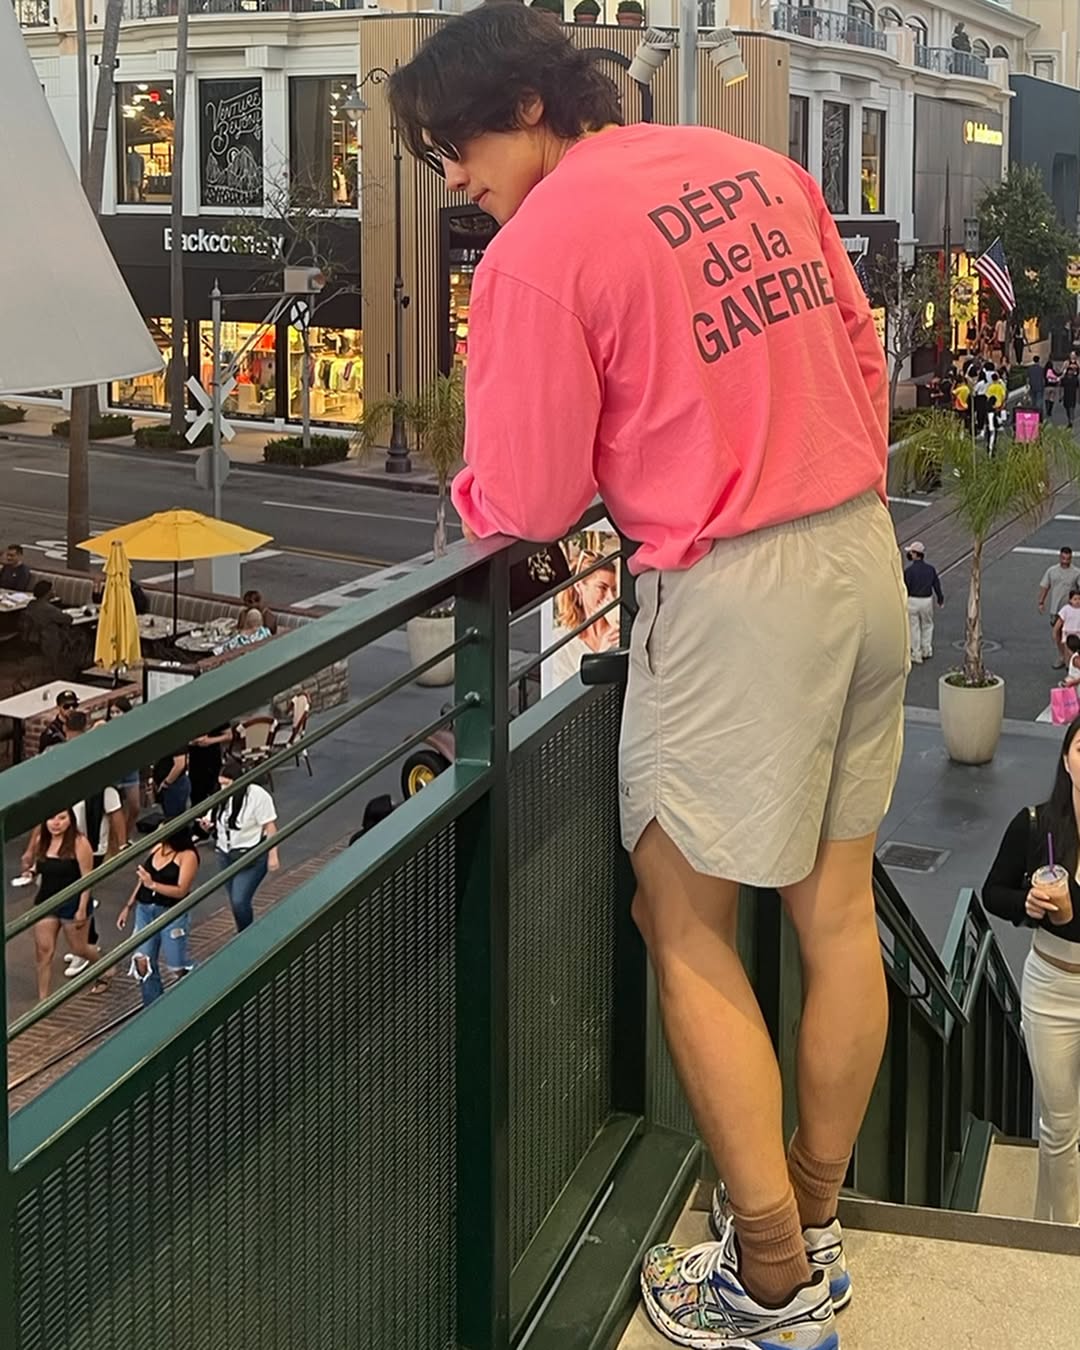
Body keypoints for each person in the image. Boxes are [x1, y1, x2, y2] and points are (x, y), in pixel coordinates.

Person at [392, 9, 907, 1345]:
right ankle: (812, 1225)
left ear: (526, 104)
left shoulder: (539, 250)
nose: (454, 176)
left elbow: (530, 494)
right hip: (861, 553)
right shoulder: (755, 167)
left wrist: (476, 500)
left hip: (736, 590)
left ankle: (772, 1282)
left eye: (455, 144)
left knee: (681, 925)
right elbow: (866, 358)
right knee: (836, 914)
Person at [982, 719, 1080, 1224]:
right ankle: (1060, 1230)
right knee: (1059, 1125)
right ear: (1066, 759)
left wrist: (1069, 914)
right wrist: (1027, 904)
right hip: (1052, 988)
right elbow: (992, 892)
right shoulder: (1037, 824)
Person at [18, 809, 103, 1001]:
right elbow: (40, 865)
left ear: (70, 820)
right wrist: (30, 873)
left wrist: (82, 908)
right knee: (43, 951)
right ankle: (44, 1000)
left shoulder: (80, 843)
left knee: (79, 948)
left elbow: (87, 878)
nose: (56, 823)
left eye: (62, 818)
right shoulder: (42, 840)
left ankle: (106, 966)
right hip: (46, 900)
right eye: (51, 818)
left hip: (72, 902)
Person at [118, 825, 199, 1006]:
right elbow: (142, 879)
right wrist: (129, 905)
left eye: (162, 830)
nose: (157, 833)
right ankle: (153, 1005)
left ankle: (196, 990)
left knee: (177, 965)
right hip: (145, 909)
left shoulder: (188, 856)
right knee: (142, 961)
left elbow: (181, 890)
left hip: (171, 912)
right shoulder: (157, 849)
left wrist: (153, 885)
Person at [204, 758, 279, 932]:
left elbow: (270, 826)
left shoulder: (257, 795)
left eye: (227, 784)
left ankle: (246, 933)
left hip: (251, 855)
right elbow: (213, 816)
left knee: (239, 900)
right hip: (225, 853)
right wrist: (208, 823)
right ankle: (243, 931)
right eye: (221, 784)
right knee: (236, 901)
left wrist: (273, 855)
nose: (223, 788)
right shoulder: (221, 795)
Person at [548, 548, 620, 686]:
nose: (610, 597)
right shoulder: (561, 641)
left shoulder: (618, 630)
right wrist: (600, 658)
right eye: (602, 588)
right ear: (579, 586)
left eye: (614, 589)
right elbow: (565, 691)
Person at [105, 697, 142, 836]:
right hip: (113, 772)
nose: (114, 716)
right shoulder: (106, 729)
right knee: (114, 809)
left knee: (135, 807)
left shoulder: (133, 728)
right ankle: (118, 840)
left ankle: (125, 835)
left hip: (130, 770)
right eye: (112, 712)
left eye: (118, 712)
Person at [1039, 547, 1080, 669]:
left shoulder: (1076, 573)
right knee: (1058, 635)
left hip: (1071, 610)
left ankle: (1072, 660)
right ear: (1060, 557)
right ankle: (1062, 656)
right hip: (1056, 609)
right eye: (1063, 558)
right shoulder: (1052, 571)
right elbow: (1045, 586)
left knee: (1072, 636)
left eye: (1068, 558)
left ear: (1071, 558)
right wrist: (1041, 602)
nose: (1065, 561)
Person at [903, 542, 944, 664]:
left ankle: (916, 653)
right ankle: (926, 649)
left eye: (911, 552)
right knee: (927, 624)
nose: (909, 554)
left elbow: (904, 587)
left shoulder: (909, 571)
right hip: (926, 600)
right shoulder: (930, 569)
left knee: (914, 627)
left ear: (915, 554)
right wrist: (940, 599)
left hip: (912, 600)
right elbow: (936, 585)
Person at [188, 724, 234, 825]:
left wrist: (209, 741)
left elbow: (229, 735)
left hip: (213, 759)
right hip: (195, 761)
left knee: (215, 791)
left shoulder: (215, 718)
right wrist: (193, 742)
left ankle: (216, 822)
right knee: (196, 795)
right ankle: (198, 825)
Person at [23, 579, 73, 669]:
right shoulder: (49, 609)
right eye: (52, 590)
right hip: (49, 639)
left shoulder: (31, 604)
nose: (54, 592)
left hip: (33, 637)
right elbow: (68, 619)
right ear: (47, 593)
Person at [152, 746, 190, 820]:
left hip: (175, 785)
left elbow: (180, 765)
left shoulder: (176, 743)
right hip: (169, 784)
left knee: (174, 819)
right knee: (169, 815)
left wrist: (166, 783)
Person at [1053, 588, 1080, 668]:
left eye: (1079, 599)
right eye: (1075, 599)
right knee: (1068, 652)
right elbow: (1060, 621)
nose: (1077, 601)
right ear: (1070, 600)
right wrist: (1055, 631)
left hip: (1078, 633)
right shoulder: (1066, 609)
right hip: (1067, 633)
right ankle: (1068, 667)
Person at [1061, 356, 1079, 428]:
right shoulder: (1064, 379)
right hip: (1066, 395)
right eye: (1069, 371)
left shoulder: (1075, 379)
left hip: (1073, 395)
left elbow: (1077, 388)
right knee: (1067, 409)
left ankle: (1071, 421)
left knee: (1071, 408)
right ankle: (1069, 419)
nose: (1070, 372)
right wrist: (1061, 395)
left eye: (1071, 371)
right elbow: (1061, 387)